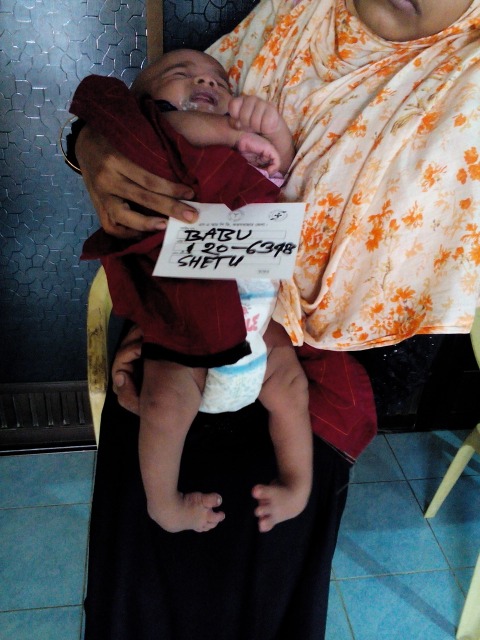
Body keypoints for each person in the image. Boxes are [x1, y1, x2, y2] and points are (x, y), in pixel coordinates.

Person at [73, 1, 480, 638]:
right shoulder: (298, 13)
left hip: (319, 364)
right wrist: (89, 142)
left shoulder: (467, 77)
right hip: (180, 309)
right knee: (140, 578)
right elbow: (159, 119)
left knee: (247, 576)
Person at [71, 49, 312, 534]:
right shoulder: (159, 140)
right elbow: (173, 127)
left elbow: (281, 175)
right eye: (181, 74)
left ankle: (297, 484)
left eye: (219, 80)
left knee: (292, 387)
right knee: (162, 406)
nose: (205, 81)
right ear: (145, 101)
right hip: (186, 327)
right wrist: (232, 131)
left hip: (257, 328)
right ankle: (163, 503)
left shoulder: (244, 154)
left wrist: (273, 133)